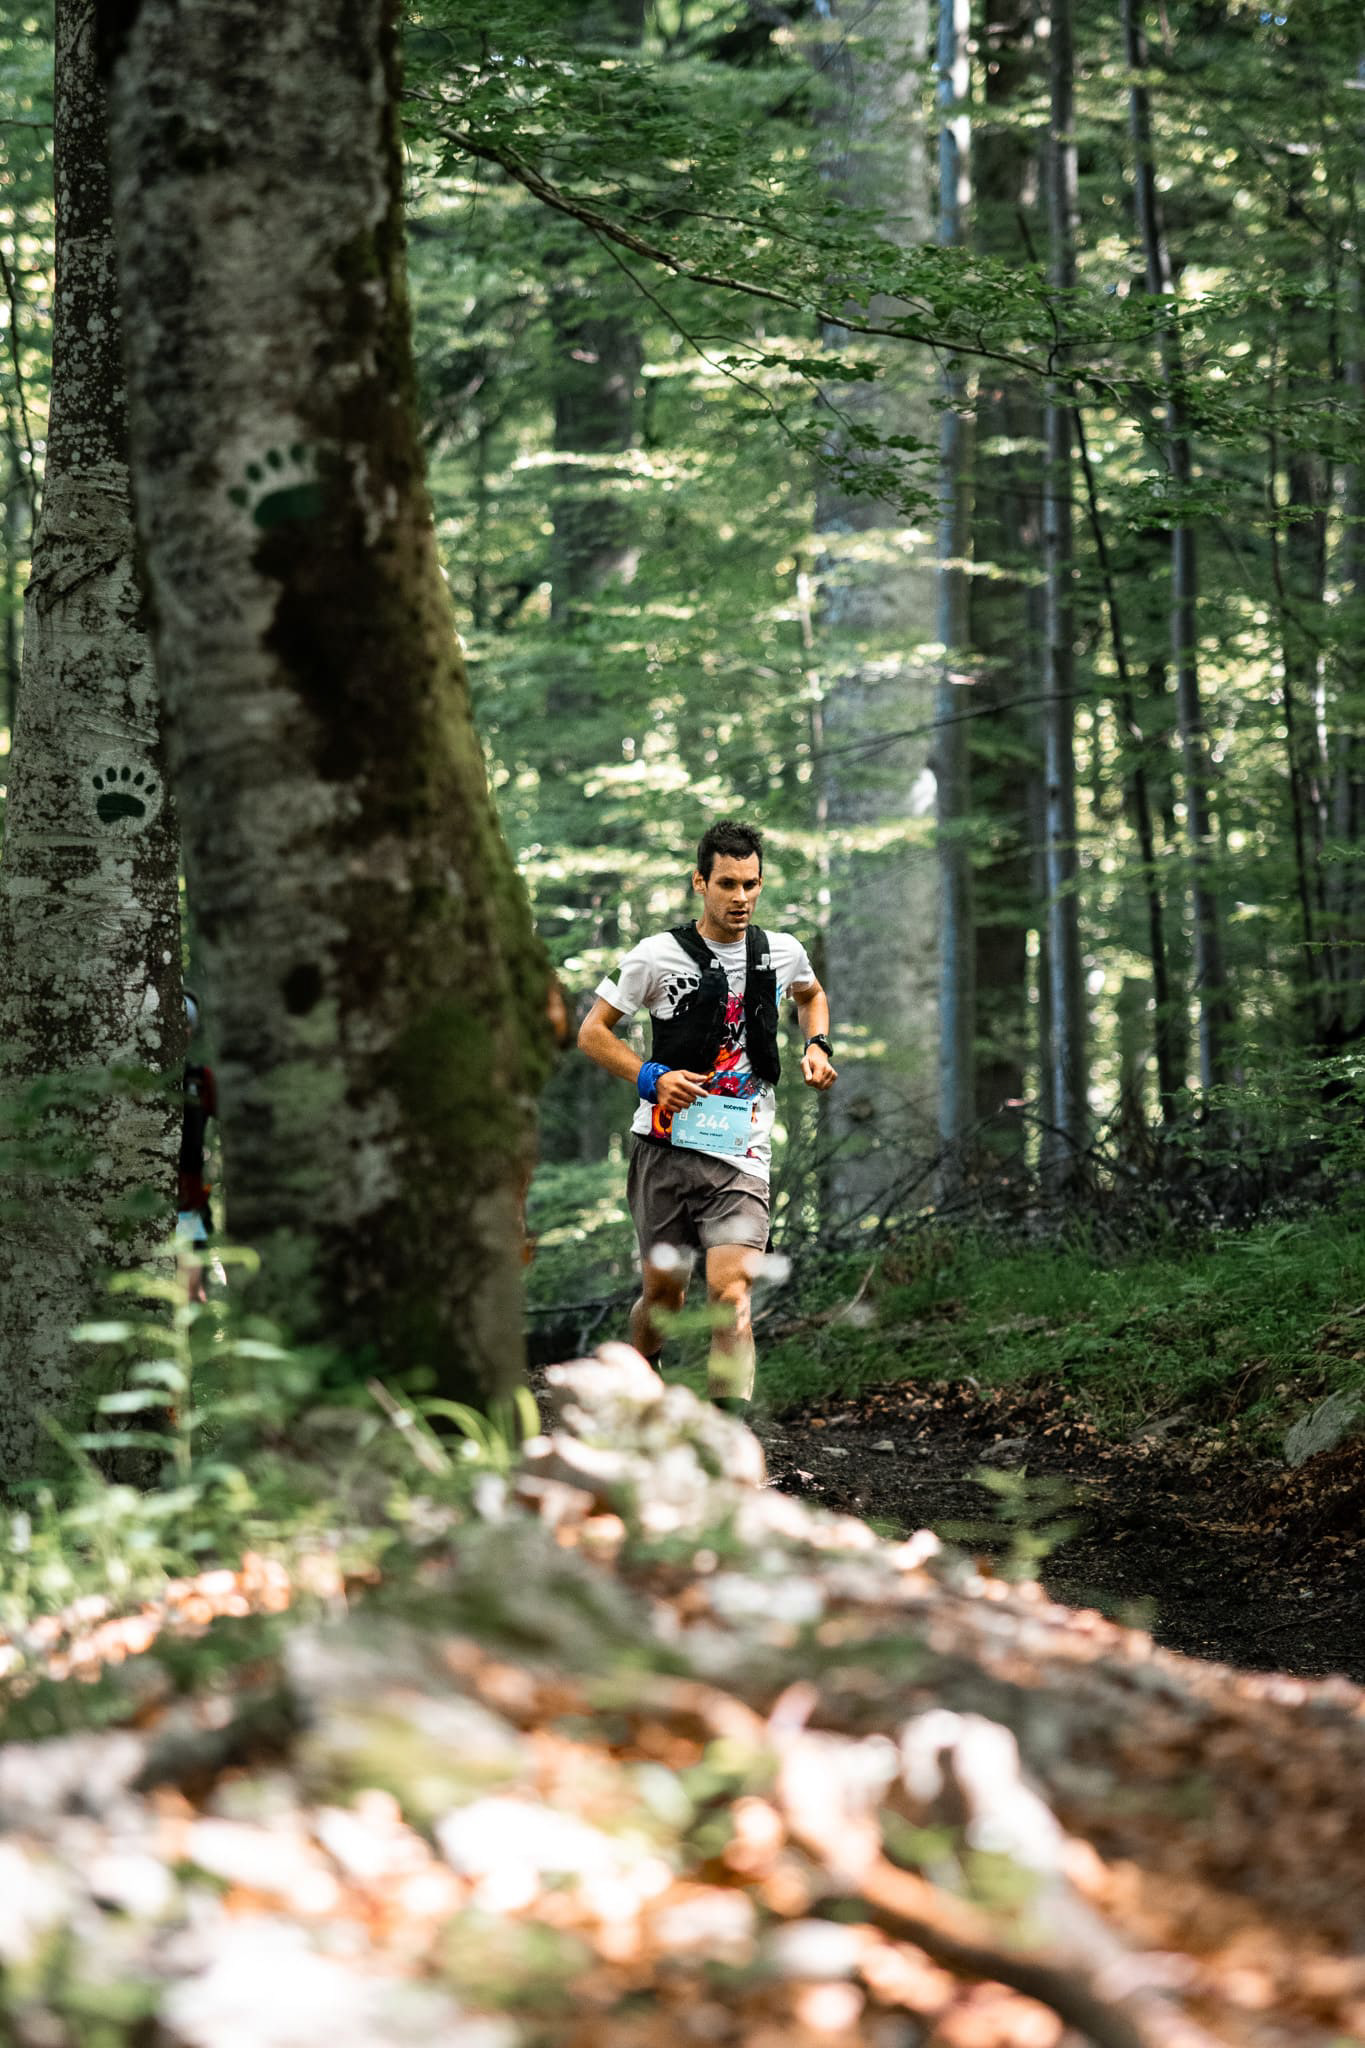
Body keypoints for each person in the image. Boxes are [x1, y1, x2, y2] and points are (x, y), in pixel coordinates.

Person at [578, 819, 836, 1412]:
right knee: (663, 1297)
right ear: (700, 883)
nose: (740, 897)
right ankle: (641, 1389)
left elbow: (811, 994)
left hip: (741, 1152)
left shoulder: (782, 952)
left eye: (751, 884)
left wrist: (818, 1045)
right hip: (664, 1149)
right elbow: (593, 1033)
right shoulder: (654, 955)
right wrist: (652, 1078)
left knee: (731, 1293)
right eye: (727, 884)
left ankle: (727, 1434)